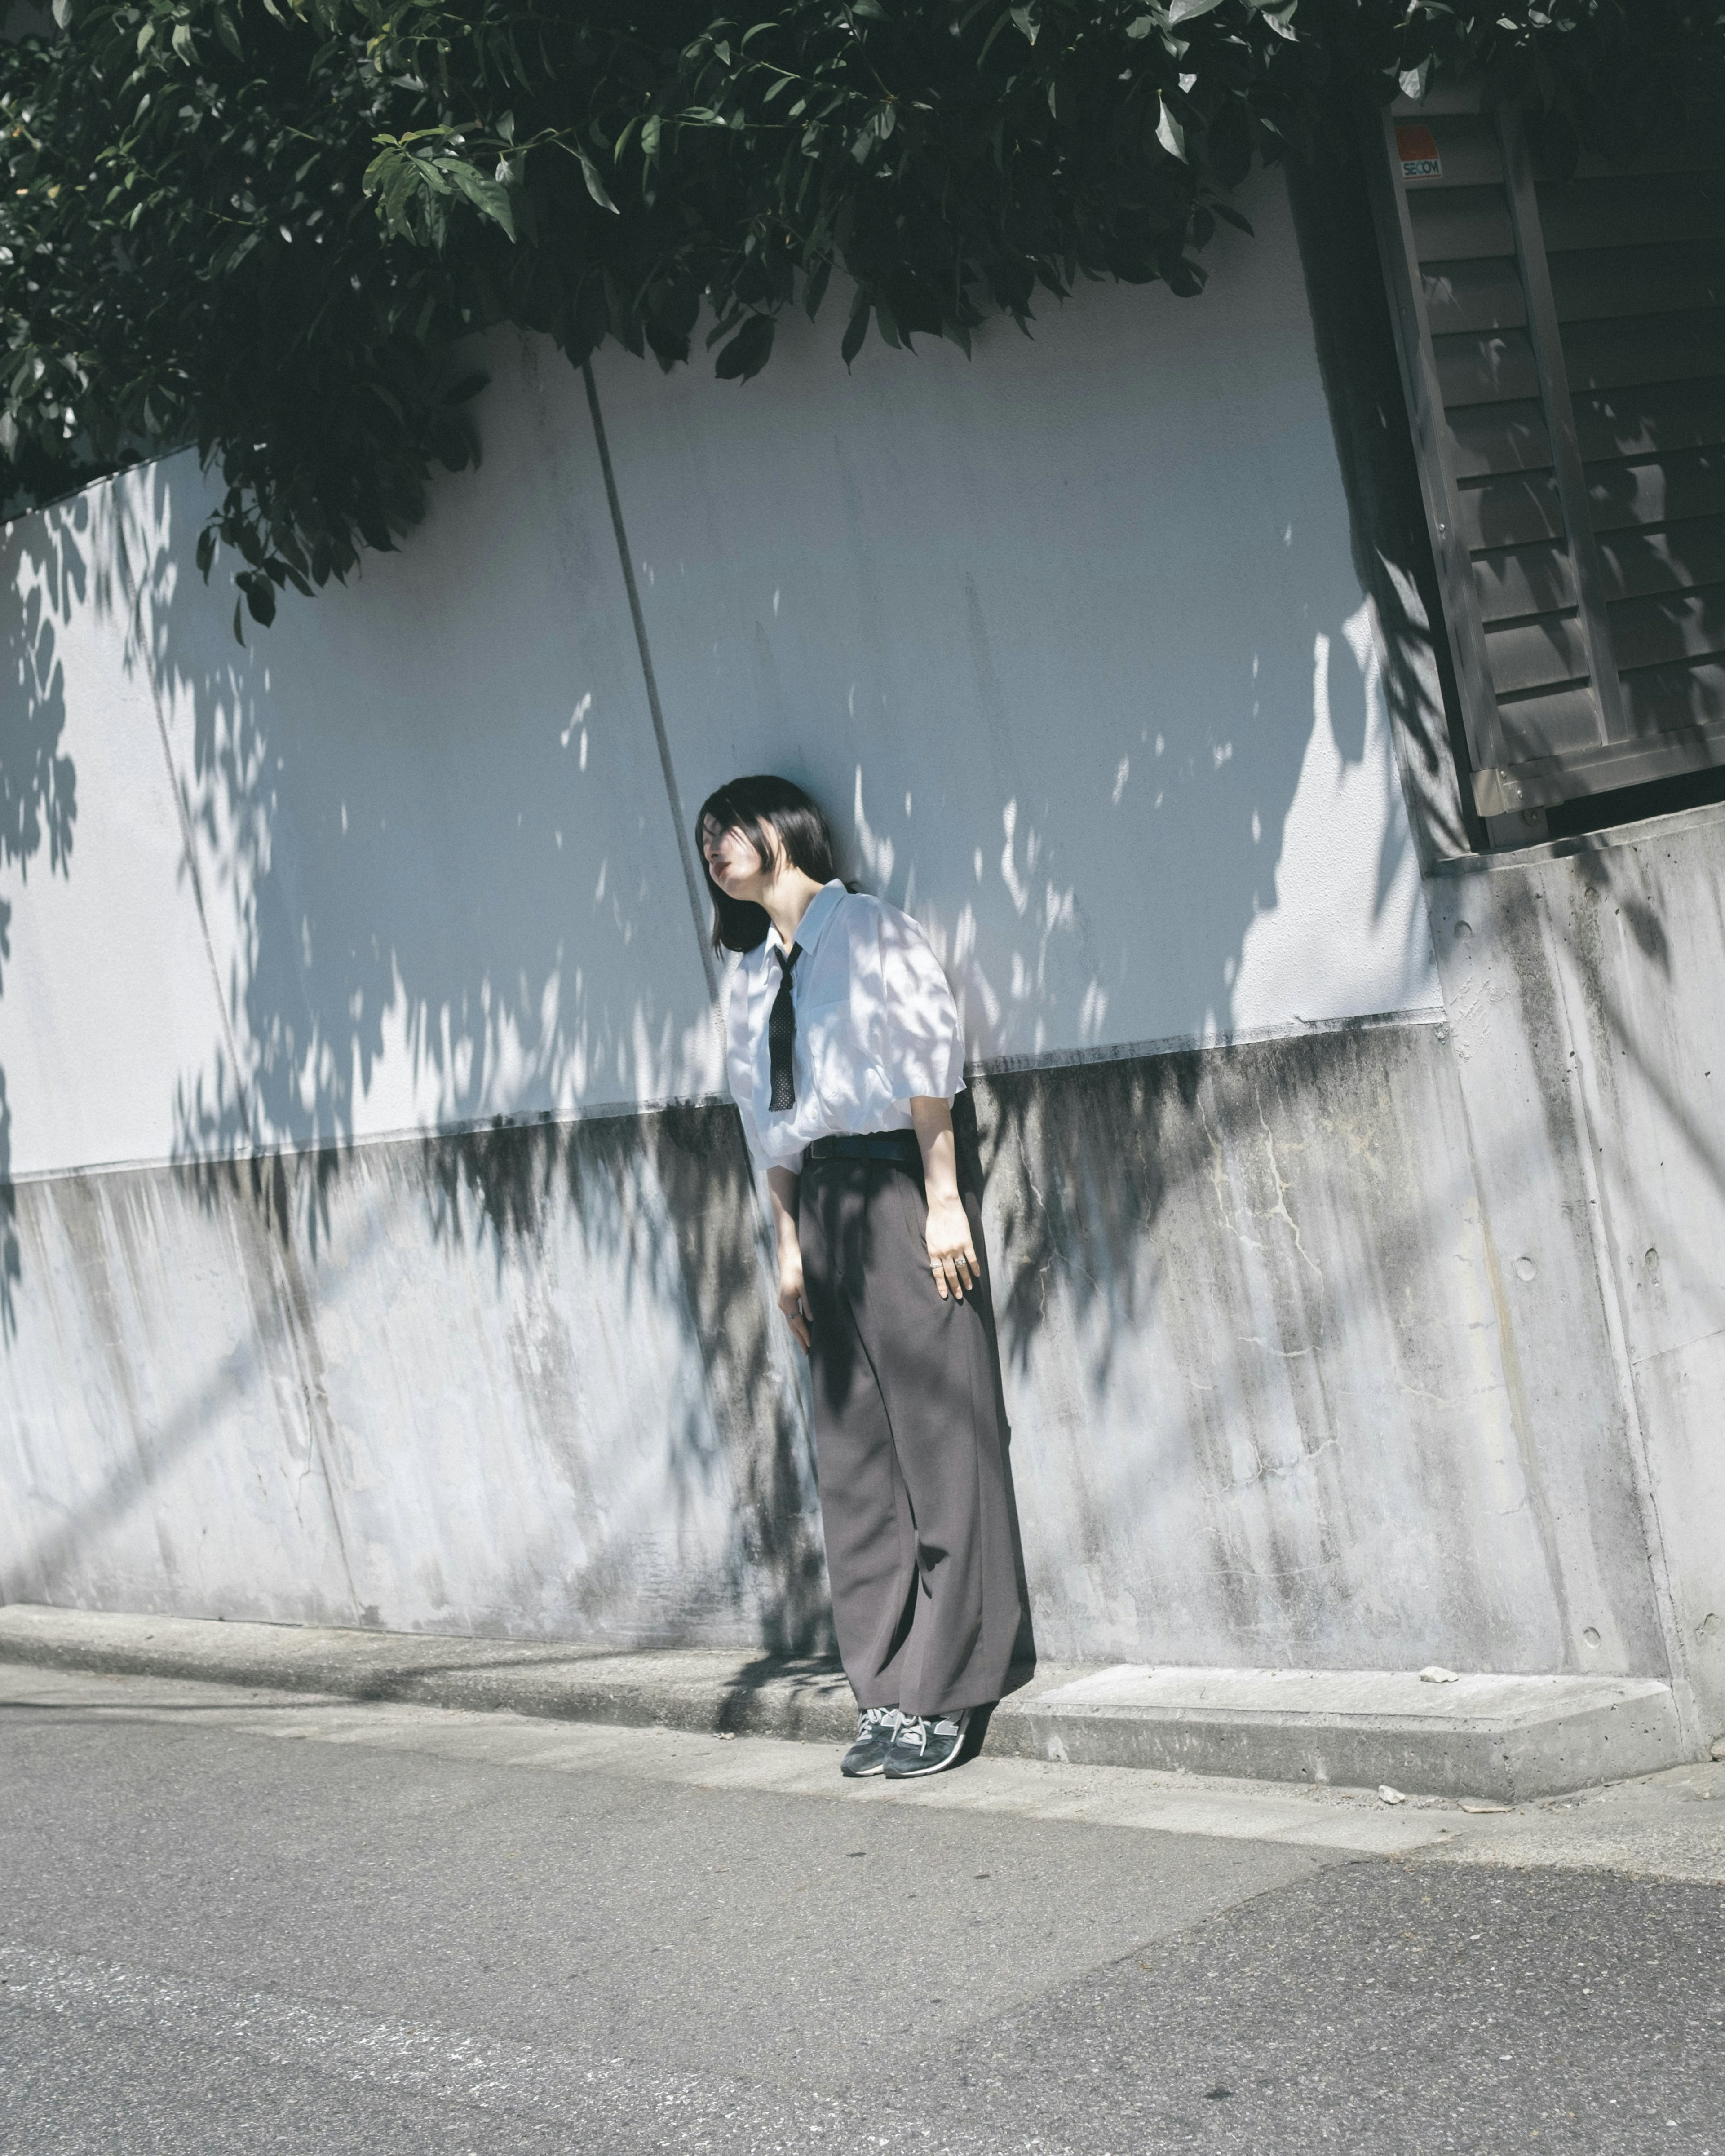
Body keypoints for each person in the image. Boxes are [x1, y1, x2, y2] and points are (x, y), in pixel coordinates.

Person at [698, 773, 1027, 1780]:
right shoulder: (753, 976)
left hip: (892, 1190)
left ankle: (952, 1686)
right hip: (822, 1217)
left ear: (785, 832)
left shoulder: (871, 931)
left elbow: (929, 1059)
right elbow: (767, 1131)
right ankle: (883, 1685)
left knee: (942, 1441)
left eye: (730, 831)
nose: (714, 850)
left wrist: (942, 1199)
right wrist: (788, 1247)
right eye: (703, 841)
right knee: (853, 1464)